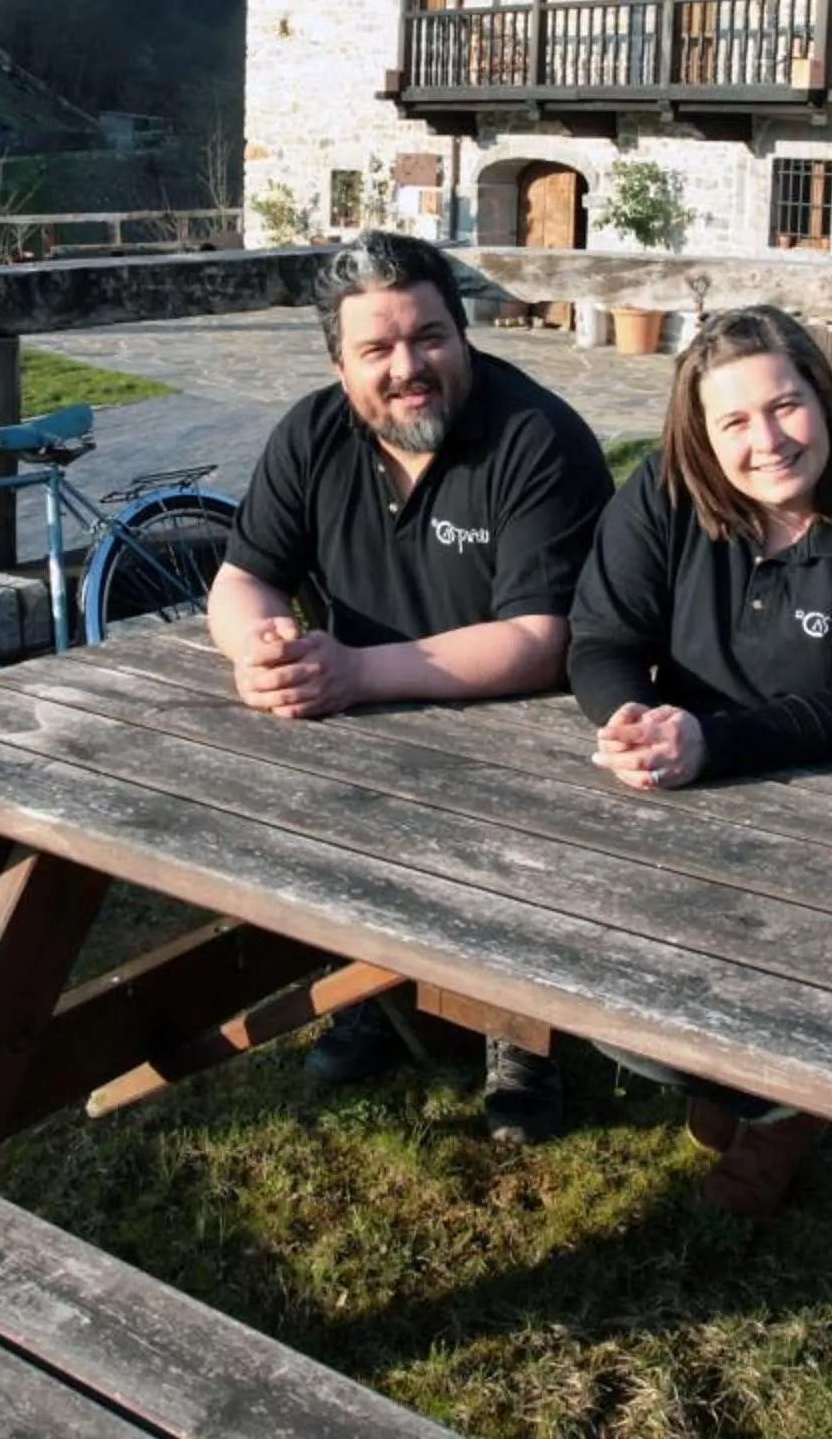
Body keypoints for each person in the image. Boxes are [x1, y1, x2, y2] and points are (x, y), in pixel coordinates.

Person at [208, 230, 614, 1143]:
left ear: (463, 335)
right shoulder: (311, 432)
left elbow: (544, 639)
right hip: (366, 729)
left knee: (505, 844)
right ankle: (377, 988)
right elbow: (243, 577)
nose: (408, 368)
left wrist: (356, 672)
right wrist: (257, 650)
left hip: (524, 735)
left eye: (429, 337)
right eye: (378, 349)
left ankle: (519, 1033)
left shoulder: (536, 438)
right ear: (340, 365)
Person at [568, 305, 832, 1216]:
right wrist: (628, 718)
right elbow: (601, 636)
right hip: (696, 781)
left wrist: (712, 742)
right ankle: (730, 1078)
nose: (768, 441)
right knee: (606, 968)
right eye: (735, 421)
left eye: (785, 407)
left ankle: (782, 1108)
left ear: (823, 400)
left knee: (801, 970)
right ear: (702, 436)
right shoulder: (664, 493)